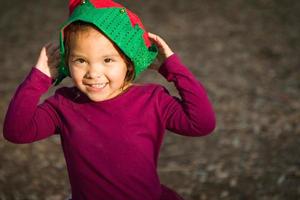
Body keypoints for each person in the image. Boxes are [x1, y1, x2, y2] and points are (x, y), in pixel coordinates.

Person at [3, 0, 216, 199]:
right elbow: (17, 131)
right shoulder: (65, 105)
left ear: (128, 60)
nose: (93, 73)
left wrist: (173, 68)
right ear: (67, 62)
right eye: (80, 60)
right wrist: (39, 78)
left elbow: (201, 123)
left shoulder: (152, 100)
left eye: (107, 60)